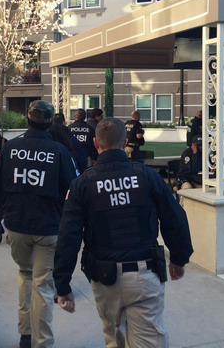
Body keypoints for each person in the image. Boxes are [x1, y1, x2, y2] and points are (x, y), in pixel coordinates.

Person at [54, 117, 193, 348]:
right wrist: (179, 258)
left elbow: (69, 236)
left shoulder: (82, 184)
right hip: (144, 274)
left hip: (105, 278)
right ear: (124, 142)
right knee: (149, 340)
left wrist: (62, 283)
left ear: (95, 143)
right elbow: (174, 218)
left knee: (114, 338)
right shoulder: (147, 176)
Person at [0, 100, 78, 348]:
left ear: (28, 120)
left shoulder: (11, 148)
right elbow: (73, 190)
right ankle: (43, 342)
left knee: (25, 274)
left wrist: (9, 206)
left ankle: (26, 334)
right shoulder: (59, 152)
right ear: (50, 124)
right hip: (48, 227)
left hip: (17, 225)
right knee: (43, 284)